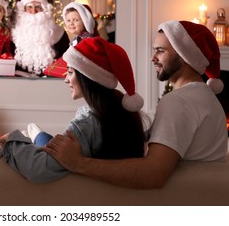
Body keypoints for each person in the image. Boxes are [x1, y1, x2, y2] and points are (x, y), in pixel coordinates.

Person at [44, 20, 228, 189]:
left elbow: (153, 174)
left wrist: (78, 163)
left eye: (160, 50)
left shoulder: (178, 101)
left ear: (184, 54)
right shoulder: (206, 96)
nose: (152, 57)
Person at [3, 36, 148, 183]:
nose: (66, 79)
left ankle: (36, 136)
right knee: (46, 140)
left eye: (70, 72)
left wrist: (11, 140)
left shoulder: (86, 122)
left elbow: (38, 168)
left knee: (41, 141)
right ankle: (38, 135)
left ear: (87, 77)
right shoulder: (121, 110)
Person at [10, 0, 70, 76]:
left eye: (38, 7)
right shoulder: (13, 34)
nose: (33, 11)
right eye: (29, 7)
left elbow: (66, 62)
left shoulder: (59, 33)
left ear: (44, 9)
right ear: (23, 9)